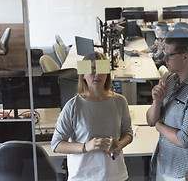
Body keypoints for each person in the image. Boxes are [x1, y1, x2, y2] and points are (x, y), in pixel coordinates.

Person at [51, 51, 133, 181]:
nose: (97, 74)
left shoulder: (120, 101)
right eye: (92, 69)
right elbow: (56, 145)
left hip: (115, 175)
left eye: (101, 69)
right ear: (83, 74)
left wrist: (120, 145)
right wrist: (85, 146)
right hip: (83, 176)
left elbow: (127, 133)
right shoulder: (73, 106)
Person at [146, 28, 188, 180]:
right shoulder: (171, 80)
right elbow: (150, 120)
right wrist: (156, 102)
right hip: (164, 163)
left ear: (185, 56)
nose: (164, 59)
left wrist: (159, 126)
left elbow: (185, 140)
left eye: (169, 55)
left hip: (185, 172)